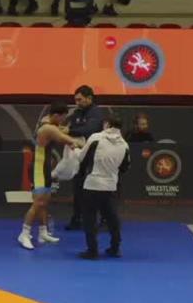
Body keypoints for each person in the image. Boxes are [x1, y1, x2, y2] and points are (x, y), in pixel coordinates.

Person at [19, 104, 83, 250]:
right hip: (38, 169)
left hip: (45, 167)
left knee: (45, 202)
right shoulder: (48, 128)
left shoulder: (48, 122)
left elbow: (62, 130)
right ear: (55, 115)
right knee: (38, 203)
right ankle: (24, 233)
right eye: (62, 118)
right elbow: (68, 139)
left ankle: (43, 233)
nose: (63, 121)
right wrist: (83, 143)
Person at [77, 115, 130, 259]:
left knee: (90, 219)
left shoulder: (95, 138)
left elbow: (82, 158)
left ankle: (92, 251)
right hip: (110, 186)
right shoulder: (125, 145)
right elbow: (124, 167)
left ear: (107, 124)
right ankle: (115, 248)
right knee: (112, 218)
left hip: (92, 184)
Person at [65, 85, 105, 230]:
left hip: (95, 158)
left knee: (96, 191)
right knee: (78, 188)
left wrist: (69, 130)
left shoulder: (96, 113)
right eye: (75, 100)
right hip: (80, 158)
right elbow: (67, 127)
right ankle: (77, 218)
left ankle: (104, 220)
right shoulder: (77, 113)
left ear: (89, 98)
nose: (77, 103)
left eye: (80, 100)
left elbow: (90, 130)